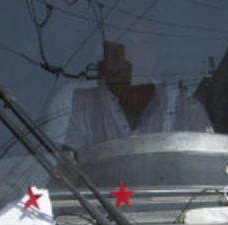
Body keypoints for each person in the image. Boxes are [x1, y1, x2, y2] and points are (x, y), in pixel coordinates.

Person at [57, 29, 212, 149]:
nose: (136, 51)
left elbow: (209, 172)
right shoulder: (72, 100)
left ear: (155, 51)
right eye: (125, 41)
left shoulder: (185, 106)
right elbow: (50, 176)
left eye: (145, 42)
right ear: (104, 50)